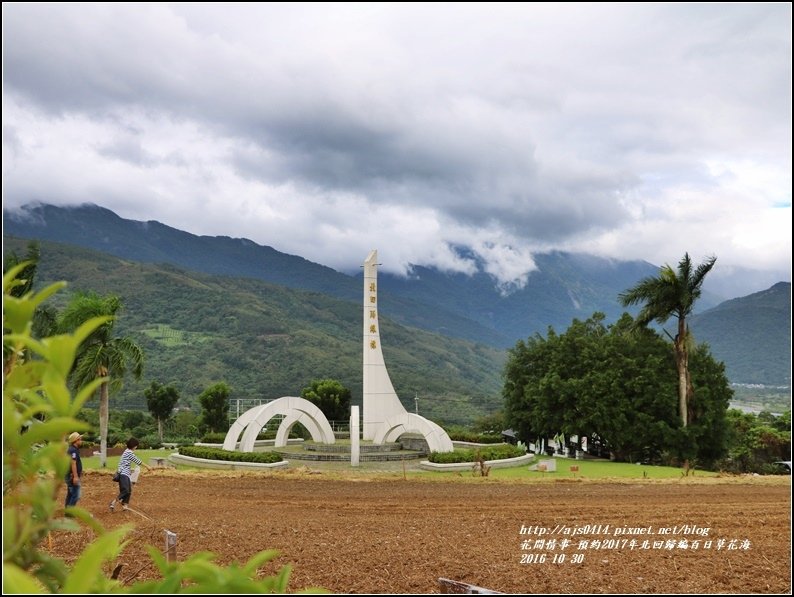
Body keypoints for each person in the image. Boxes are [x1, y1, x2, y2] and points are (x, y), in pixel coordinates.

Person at [109, 437, 150, 512]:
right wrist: (148, 467)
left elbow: (125, 464)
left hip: (125, 474)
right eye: (136, 446)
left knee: (129, 490)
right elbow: (138, 461)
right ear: (134, 445)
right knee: (126, 490)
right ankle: (113, 502)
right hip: (123, 474)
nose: (136, 447)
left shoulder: (127, 451)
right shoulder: (129, 453)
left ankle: (125, 505)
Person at [64, 432, 83, 510]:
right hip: (72, 476)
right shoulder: (73, 451)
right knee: (76, 495)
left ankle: (67, 510)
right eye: (80, 439)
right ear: (76, 441)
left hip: (70, 475)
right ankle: (69, 513)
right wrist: (75, 477)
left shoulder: (73, 449)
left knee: (70, 494)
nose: (81, 441)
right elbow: (73, 463)